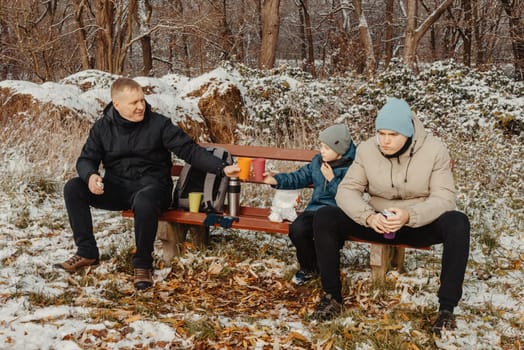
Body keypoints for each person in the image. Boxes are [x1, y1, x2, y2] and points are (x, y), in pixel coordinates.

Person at [55, 78, 240, 290]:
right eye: (134, 103)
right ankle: (87, 251)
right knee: (73, 188)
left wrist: (222, 168)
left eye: (142, 100)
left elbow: (190, 150)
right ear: (116, 104)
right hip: (118, 187)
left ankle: (143, 264)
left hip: (154, 188)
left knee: (144, 200)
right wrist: (90, 176)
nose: (141, 106)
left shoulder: (159, 124)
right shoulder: (102, 128)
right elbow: (86, 159)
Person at [311, 98, 470, 335]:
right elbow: (347, 190)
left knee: (458, 222)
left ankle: (446, 309)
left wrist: (410, 215)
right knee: (325, 216)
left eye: (392, 135)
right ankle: (332, 297)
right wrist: (368, 217)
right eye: (381, 133)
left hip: (417, 222)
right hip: (376, 220)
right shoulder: (367, 149)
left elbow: (445, 197)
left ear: (407, 134)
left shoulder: (435, 150)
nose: (384, 140)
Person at [263, 124, 356, 285]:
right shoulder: (317, 162)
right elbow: (299, 177)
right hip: (315, 210)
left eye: (326, 147)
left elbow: (349, 197)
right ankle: (309, 267)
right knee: (297, 229)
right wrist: (276, 179)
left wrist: (332, 179)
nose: (322, 150)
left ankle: (325, 266)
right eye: (321, 146)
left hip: (338, 213)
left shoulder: (353, 168)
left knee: (327, 233)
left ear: (340, 150)